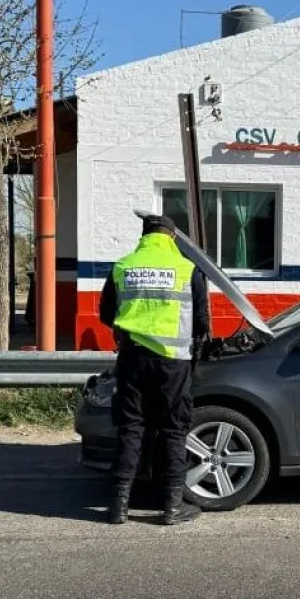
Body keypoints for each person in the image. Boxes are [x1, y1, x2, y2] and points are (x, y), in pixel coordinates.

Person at [98, 213, 210, 525]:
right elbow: (201, 320)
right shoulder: (188, 269)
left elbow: (106, 313)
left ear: (144, 237)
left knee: (131, 428)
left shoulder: (123, 266)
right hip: (173, 361)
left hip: (132, 358)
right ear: (172, 238)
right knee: (174, 429)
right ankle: (171, 508)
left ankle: (119, 507)